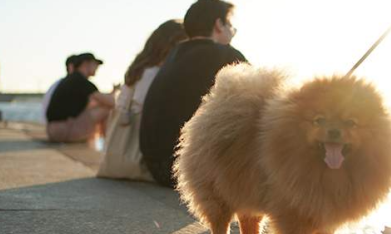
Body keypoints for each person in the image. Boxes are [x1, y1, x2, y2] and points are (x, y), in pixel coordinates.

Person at [140, 0, 247, 187]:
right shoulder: (225, 55)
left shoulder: (174, 55)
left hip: (157, 167)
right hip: (189, 173)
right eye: (230, 24)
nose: (232, 31)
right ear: (218, 25)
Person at [97, 19, 187, 181]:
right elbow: (145, 102)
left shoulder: (139, 67)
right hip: (143, 124)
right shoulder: (157, 72)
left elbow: (124, 98)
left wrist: (123, 112)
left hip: (127, 118)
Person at [46, 53, 114, 143]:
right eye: (95, 64)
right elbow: (112, 103)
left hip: (53, 130)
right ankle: (108, 144)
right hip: (63, 131)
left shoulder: (72, 79)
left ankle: (99, 141)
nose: (97, 67)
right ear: (86, 64)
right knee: (106, 109)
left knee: (96, 108)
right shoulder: (81, 81)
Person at [42, 54, 77, 123]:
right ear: (71, 67)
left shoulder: (59, 83)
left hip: (51, 124)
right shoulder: (69, 84)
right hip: (59, 125)